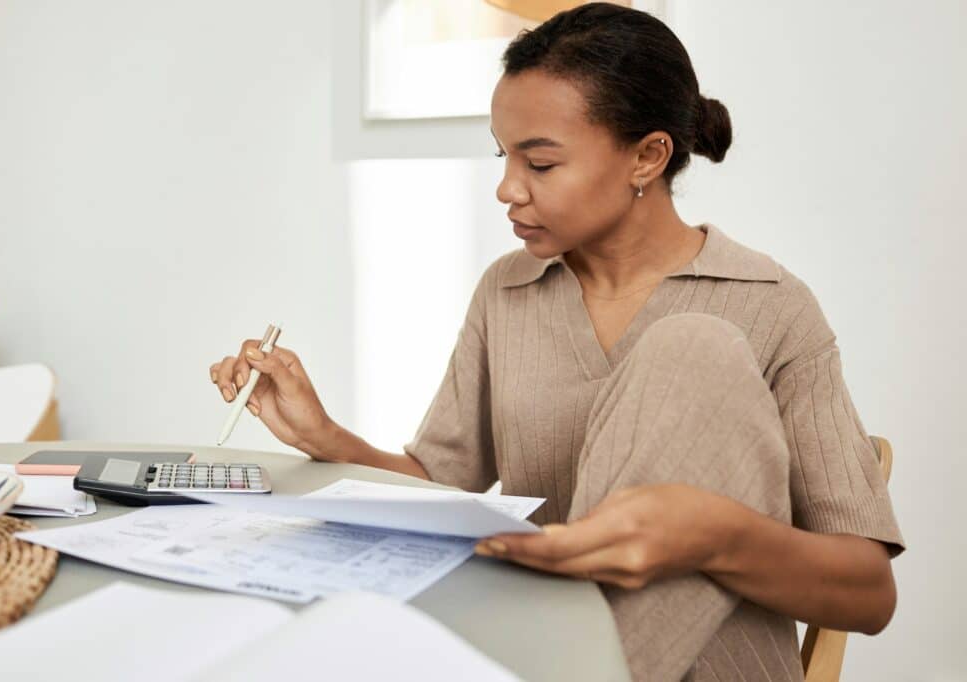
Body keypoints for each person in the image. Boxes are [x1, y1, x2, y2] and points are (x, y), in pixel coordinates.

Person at [209, 4, 904, 679]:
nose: (507, 189)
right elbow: (446, 492)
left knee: (693, 348)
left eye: (540, 165)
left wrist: (715, 534)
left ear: (648, 156)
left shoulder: (772, 307)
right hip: (522, 653)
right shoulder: (509, 291)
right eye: (503, 157)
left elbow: (868, 595)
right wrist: (325, 436)